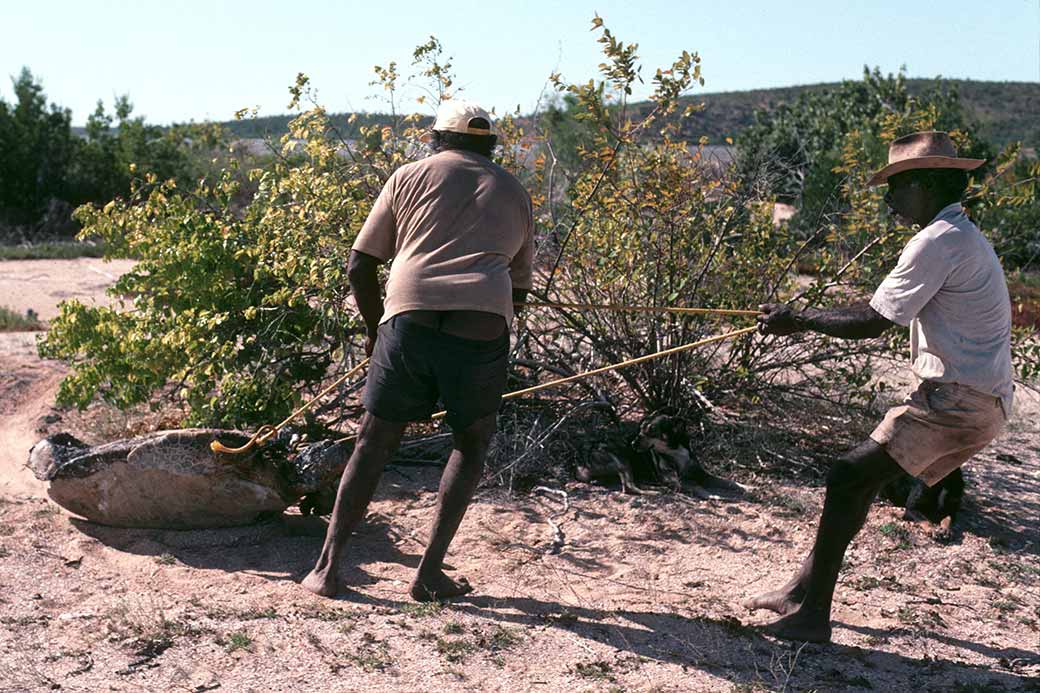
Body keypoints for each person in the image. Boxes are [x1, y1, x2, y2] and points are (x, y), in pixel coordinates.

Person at [746, 131, 1013, 642]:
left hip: (960, 401)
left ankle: (810, 616)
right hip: (975, 398)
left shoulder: (936, 241)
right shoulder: (959, 235)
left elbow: (871, 321)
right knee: (857, 480)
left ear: (929, 184)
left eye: (899, 185)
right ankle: (802, 593)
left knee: (848, 475)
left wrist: (797, 318)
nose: (890, 198)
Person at [302, 100, 535, 601]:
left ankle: (327, 569)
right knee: (470, 444)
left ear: (435, 139)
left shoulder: (407, 176)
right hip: (481, 326)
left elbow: (359, 267)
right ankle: (429, 574)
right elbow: (518, 289)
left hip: (409, 318)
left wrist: (374, 330)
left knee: (373, 441)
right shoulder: (514, 191)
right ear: (490, 147)